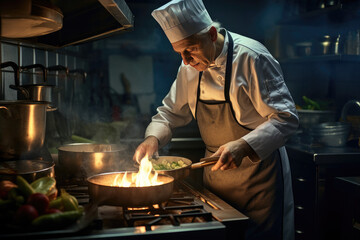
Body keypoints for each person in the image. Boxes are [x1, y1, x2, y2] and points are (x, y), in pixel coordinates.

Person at [133, 0, 299, 239]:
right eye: (180, 53)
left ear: (211, 34)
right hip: (217, 180)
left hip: (259, 181)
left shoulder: (252, 57)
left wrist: (243, 145)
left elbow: (286, 119)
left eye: (190, 50)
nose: (186, 61)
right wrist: (152, 139)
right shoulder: (188, 68)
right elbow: (169, 113)